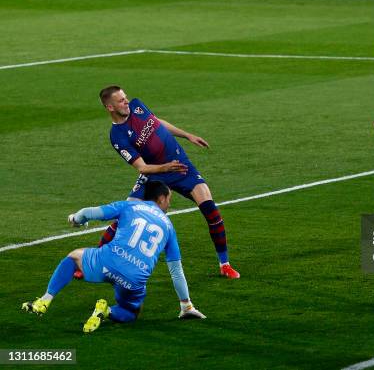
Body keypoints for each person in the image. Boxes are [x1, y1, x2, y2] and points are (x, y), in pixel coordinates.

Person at [81, 85, 239, 279]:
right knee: (124, 216)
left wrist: (187, 135)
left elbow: (157, 122)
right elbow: (142, 168)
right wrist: (165, 167)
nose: (127, 102)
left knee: (211, 210)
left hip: (180, 166)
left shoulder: (137, 106)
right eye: (121, 100)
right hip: (155, 173)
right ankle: (93, 263)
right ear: (110, 108)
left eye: (126, 97)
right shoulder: (117, 136)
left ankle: (225, 264)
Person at [22, 181, 205, 333]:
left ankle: (45, 300)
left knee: (74, 257)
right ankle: (106, 311)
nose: (169, 204)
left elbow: (88, 213)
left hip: (107, 261)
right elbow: (176, 272)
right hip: (133, 279)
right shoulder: (169, 227)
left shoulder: (129, 205)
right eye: (169, 199)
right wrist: (186, 305)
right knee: (131, 312)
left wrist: (76, 219)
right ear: (161, 198)